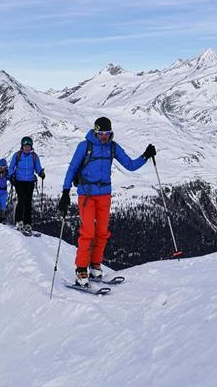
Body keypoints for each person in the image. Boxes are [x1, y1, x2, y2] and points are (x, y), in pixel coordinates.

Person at [60, 117, 156, 287]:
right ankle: (81, 269)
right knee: (88, 232)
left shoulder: (113, 147)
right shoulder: (85, 146)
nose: (104, 136)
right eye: (101, 133)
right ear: (95, 131)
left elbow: (130, 165)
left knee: (102, 232)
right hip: (86, 194)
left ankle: (95, 265)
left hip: (104, 194)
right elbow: (72, 168)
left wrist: (145, 156)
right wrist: (65, 192)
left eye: (107, 133)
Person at [9, 136, 45, 233]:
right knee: (22, 199)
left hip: (30, 182)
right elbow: (11, 167)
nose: (27, 148)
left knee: (28, 202)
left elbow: (38, 168)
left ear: (31, 147)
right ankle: (19, 221)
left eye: (28, 146)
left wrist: (41, 173)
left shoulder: (34, 156)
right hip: (19, 181)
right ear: (22, 146)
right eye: (25, 146)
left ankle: (27, 223)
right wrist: (11, 176)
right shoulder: (17, 155)